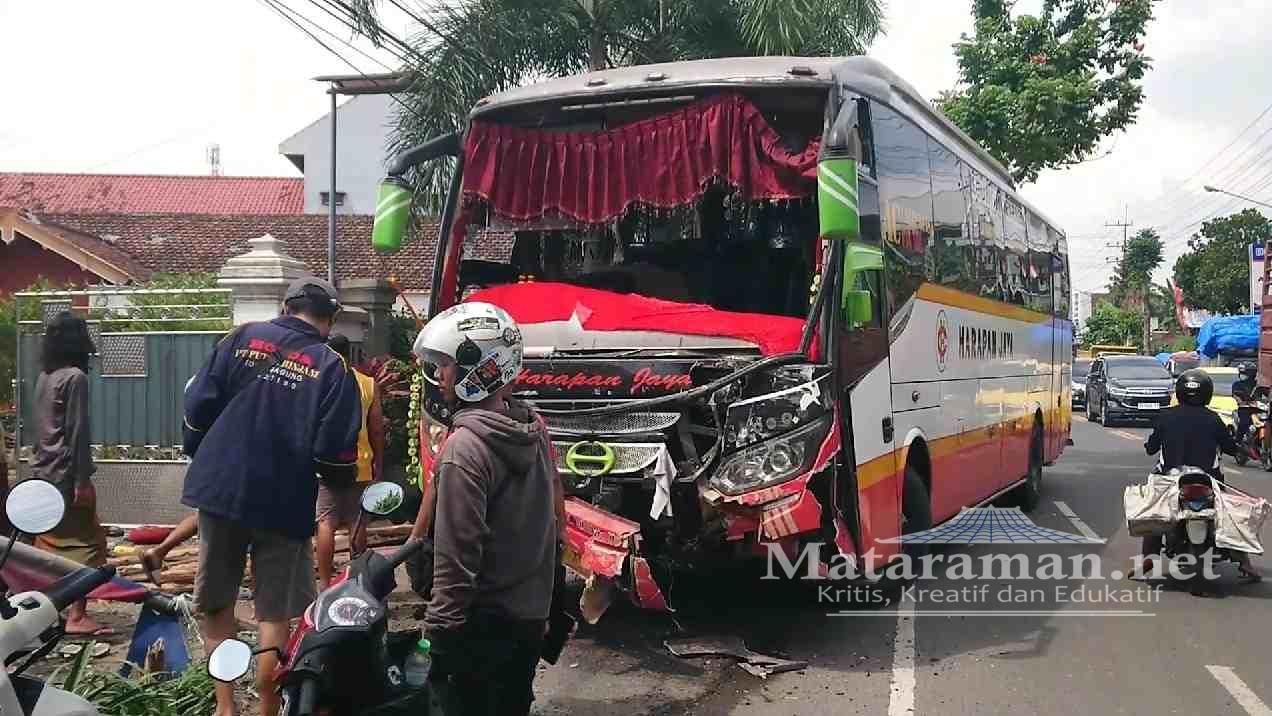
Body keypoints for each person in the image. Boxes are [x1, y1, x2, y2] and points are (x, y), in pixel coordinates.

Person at [182, 277, 361, 716]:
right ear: (330, 318)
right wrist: (337, 487)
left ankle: (224, 707)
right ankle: (266, 704)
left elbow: (197, 405)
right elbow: (337, 450)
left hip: (221, 488)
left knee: (219, 601)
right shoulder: (331, 365)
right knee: (275, 611)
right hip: (283, 498)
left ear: (286, 306)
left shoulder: (241, 337)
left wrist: (204, 451)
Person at [411, 302, 560, 716]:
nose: (439, 376)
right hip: (527, 619)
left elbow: (458, 557)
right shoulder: (533, 426)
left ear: (479, 369)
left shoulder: (465, 449)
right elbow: (554, 519)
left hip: (481, 626)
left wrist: (436, 636)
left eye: (446, 365)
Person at [30, 312, 111, 636]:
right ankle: (77, 615)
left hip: (42, 471)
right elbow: (77, 432)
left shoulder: (44, 377)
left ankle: (43, 610)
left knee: (47, 543)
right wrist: (81, 481)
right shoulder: (75, 377)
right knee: (90, 543)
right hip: (65, 474)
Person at [1143, 369, 1261, 585]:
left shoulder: (1166, 417)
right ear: (1207, 393)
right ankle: (1244, 561)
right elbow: (1230, 447)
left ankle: (1148, 559)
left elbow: (1151, 448)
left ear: (1179, 392)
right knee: (1229, 513)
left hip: (1171, 479)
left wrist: (1151, 445)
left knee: (1155, 509)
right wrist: (1239, 449)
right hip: (1209, 480)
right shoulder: (1213, 419)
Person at [316, 334, 384, 588]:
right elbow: (376, 429)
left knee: (326, 522)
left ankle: (324, 583)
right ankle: (358, 581)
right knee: (358, 523)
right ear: (350, 354)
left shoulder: (321, 381)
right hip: (360, 463)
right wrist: (378, 462)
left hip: (325, 463)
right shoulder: (367, 383)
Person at [1232, 362, 1258, 445]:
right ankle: (1238, 441)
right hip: (1245, 408)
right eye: (1241, 373)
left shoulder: (1257, 384)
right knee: (1244, 422)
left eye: (1244, 373)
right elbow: (1236, 396)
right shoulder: (1237, 384)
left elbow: (1264, 394)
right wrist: (1241, 401)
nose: (1241, 375)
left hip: (1258, 408)